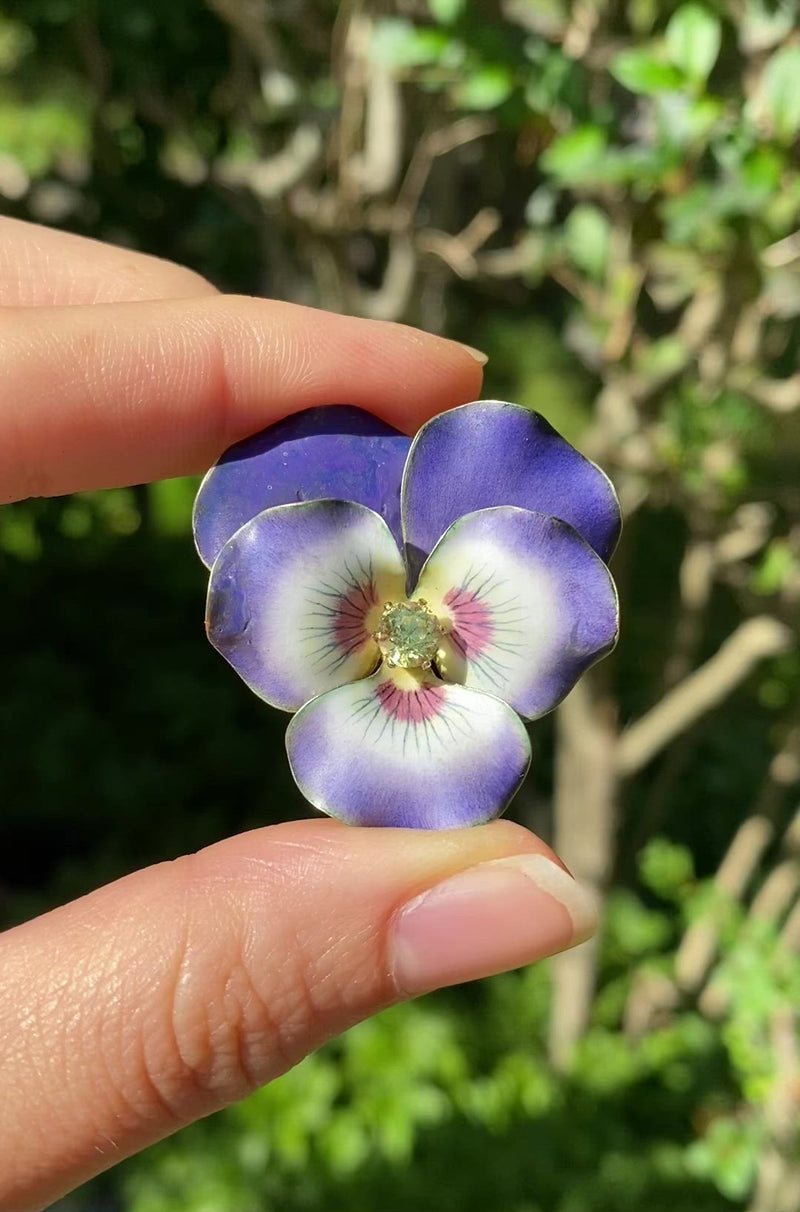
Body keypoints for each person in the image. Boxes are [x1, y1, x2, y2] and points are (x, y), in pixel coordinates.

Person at [0, 218, 597, 1212]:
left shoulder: (415, 613)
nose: (407, 644)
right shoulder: (340, 591)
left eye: (411, 635)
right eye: (394, 634)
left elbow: (564, 612)